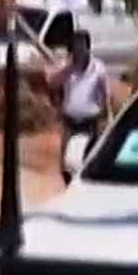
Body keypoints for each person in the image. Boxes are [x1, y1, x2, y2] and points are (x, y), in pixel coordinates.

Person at [45, 29, 109, 185]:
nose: (78, 49)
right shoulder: (66, 65)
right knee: (66, 166)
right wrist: (68, 70)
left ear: (88, 47)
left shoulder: (98, 68)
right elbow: (52, 82)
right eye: (75, 45)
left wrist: (104, 113)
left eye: (81, 45)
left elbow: (104, 94)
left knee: (90, 163)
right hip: (70, 121)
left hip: (91, 122)